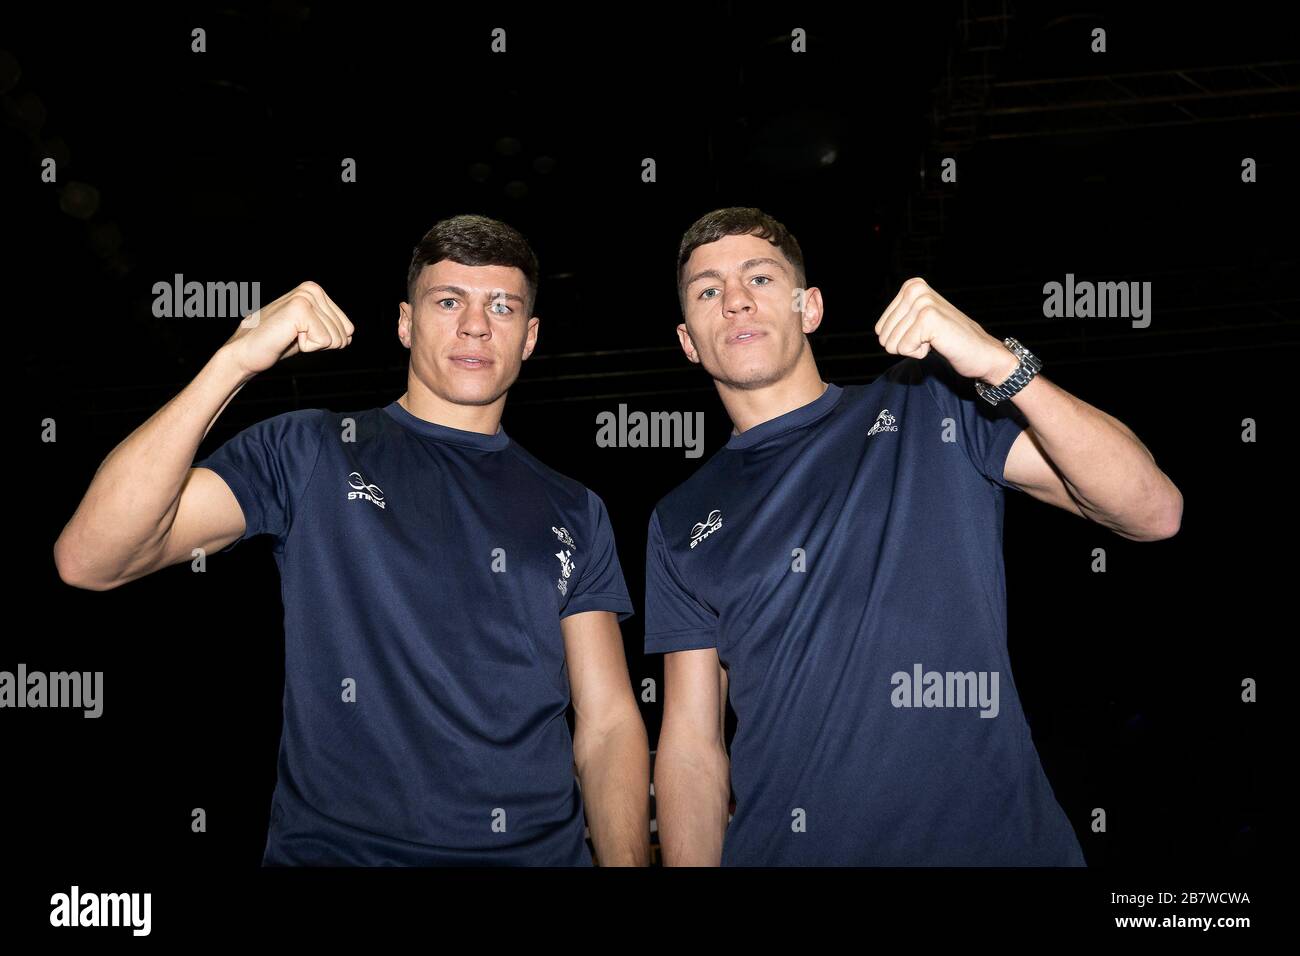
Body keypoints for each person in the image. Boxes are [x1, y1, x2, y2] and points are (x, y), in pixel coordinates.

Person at [53, 214, 650, 866]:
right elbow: (94, 557)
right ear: (404, 322)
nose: (475, 324)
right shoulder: (311, 449)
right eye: (448, 301)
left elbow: (610, 722)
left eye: (501, 307)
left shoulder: (574, 506)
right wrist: (234, 360)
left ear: (529, 337)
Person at [646, 207, 1182, 866]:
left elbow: (1152, 510)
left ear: (808, 308)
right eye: (707, 290)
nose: (734, 300)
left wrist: (996, 361)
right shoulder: (680, 519)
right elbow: (692, 745)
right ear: (687, 341)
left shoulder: (926, 401)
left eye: (758, 278)